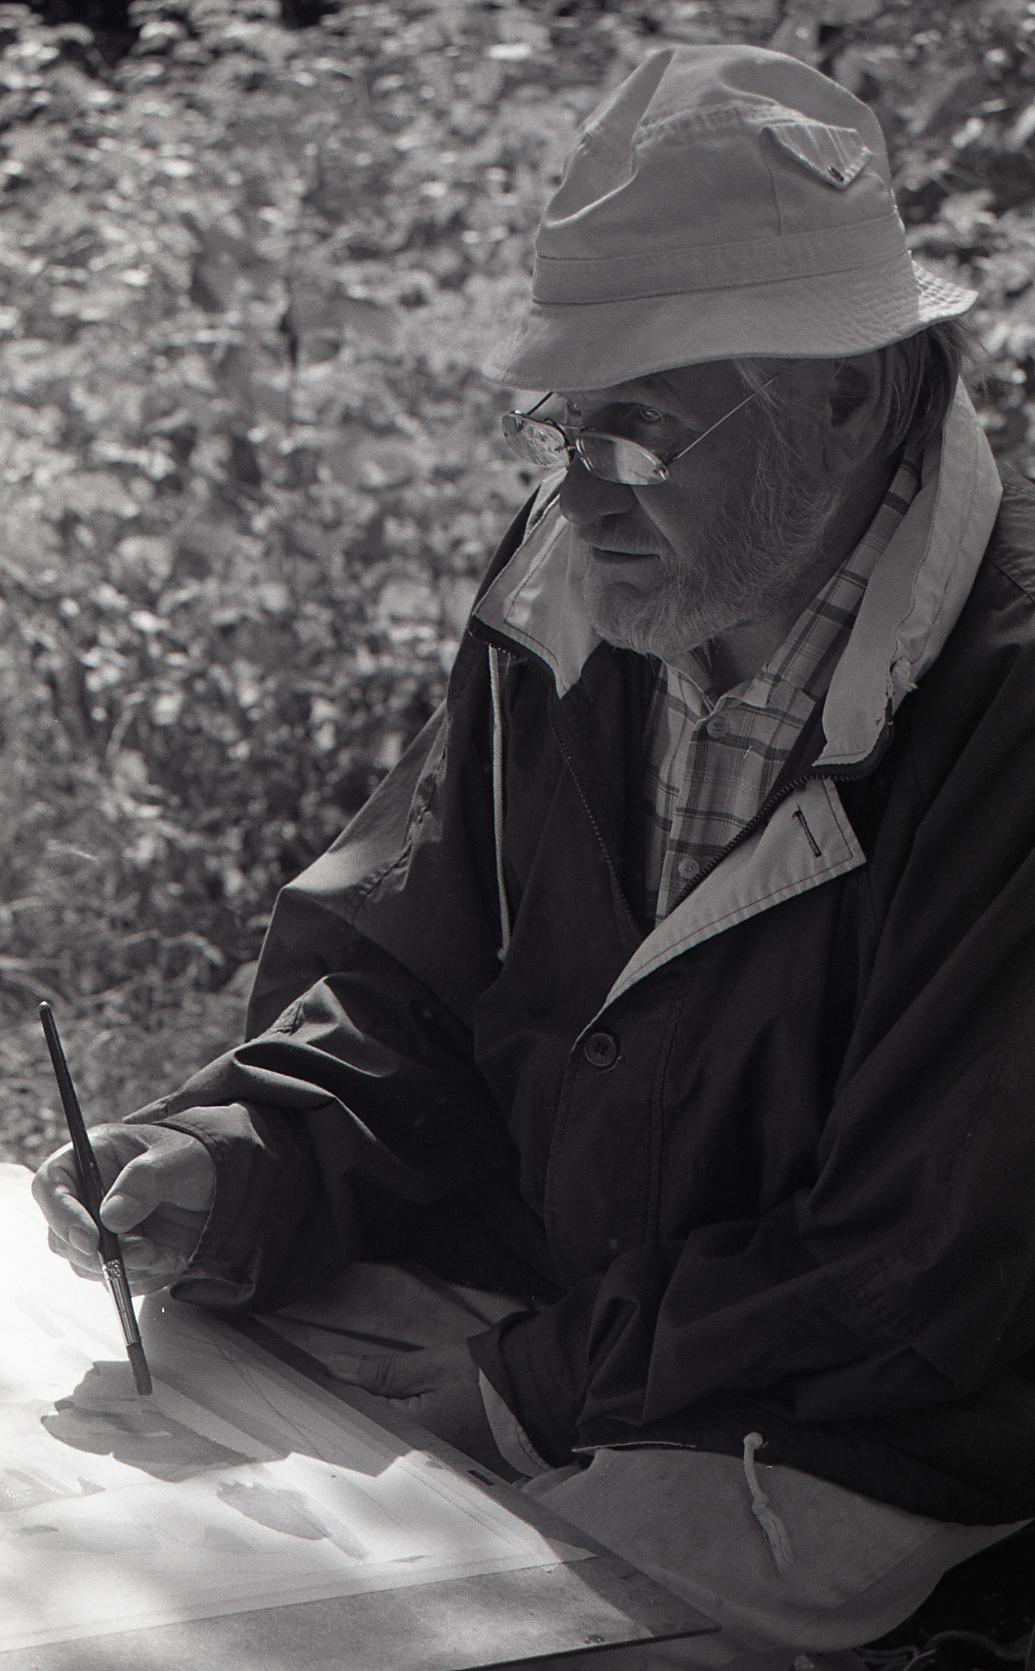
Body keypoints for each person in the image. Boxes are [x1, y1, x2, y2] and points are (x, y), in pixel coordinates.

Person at [33, 42, 1035, 1670]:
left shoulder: (1007, 716)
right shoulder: (577, 588)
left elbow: (929, 1273)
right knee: (172, 1430)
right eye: (561, 425)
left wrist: (527, 1391)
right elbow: (416, 980)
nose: (579, 496)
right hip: (563, 1317)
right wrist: (244, 1158)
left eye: (637, 434)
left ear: (851, 394)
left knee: (488, 1621)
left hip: (854, 1420)